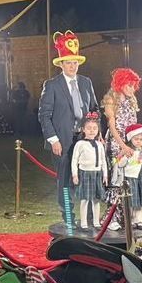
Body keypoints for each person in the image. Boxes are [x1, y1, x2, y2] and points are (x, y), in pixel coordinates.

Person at [38, 31, 98, 221]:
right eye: (68, 63)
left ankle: (88, 215)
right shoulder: (52, 85)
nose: (72, 66)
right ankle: (68, 216)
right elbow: (44, 115)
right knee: (64, 180)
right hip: (62, 140)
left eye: (75, 63)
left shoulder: (86, 82)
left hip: (84, 139)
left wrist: (96, 132)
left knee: (87, 177)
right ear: (61, 64)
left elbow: (94, 109)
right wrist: (53, 140)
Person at [101, 68, 142, 231]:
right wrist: (122, 146)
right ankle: (111, 217)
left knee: (129, 179)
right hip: (116, 143)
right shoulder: (111, 100)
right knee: (117, 179)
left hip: (130, 143)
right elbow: (112, 127)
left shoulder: (131, 100)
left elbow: (135, 126)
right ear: (120, 83)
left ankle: (126, 216)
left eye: (134, 86)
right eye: (129, 85)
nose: (132, 89)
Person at [112, 122, 142, 230]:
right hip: (130, 177)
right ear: (131, 139)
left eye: (141, 139)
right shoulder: (127, 151)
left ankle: (138, 220)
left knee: (138, 200)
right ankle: (129, 220)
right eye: (136, 139)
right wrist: (125, 157)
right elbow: (120, 164)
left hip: (140, 177)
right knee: (131, 200)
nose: (138, 141)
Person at [71, 112, 108, 230]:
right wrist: (75, 174)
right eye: (89, 128)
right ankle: (84, 223)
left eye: (94, 128)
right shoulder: (80, 144)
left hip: (97, 174)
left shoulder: (99, 144)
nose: (92, 131)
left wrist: (105, 174)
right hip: (85, 174)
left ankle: (96, 222)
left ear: (98, 130)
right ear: (83, 129)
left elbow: (103, 160)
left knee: (96, 200)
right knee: (85, 199)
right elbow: (74, 160)